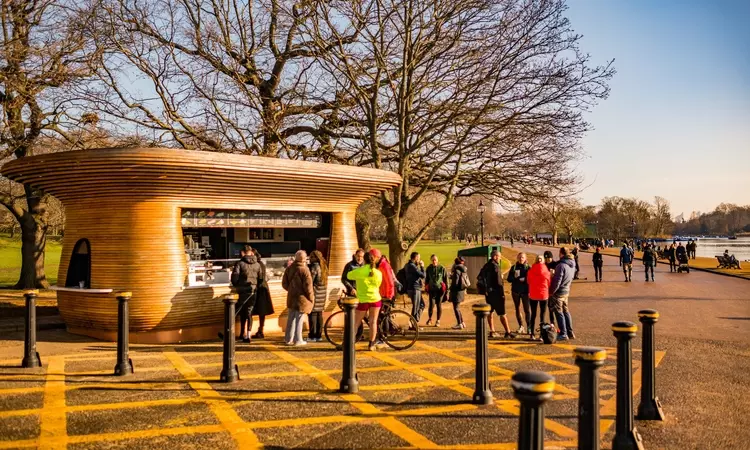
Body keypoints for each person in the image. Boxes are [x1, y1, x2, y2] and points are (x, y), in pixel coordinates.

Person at [347, 252, 384, 351]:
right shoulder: (378, 273)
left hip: (363, 299)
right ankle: (371, 344)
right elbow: (379, 284)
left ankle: (349, 343)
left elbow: (349, 275)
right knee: (373, 322)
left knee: (356, 323)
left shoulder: (360, 271)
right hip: (375, 298)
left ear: (364, 260)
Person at [230, 245, 264, 343]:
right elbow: (261, 279)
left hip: (242, 291)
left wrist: (238, 285)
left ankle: (242, 333)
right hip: (253, 291)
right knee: (249, 312)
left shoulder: (240, 263)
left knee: (242, 312)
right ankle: (248, 335)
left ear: (243, 252)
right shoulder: (257, 264)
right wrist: (255, 286)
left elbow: (234, 278)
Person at [281, 250, 314, 346]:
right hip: (302, 298)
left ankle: (288, 339)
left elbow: (284, 283)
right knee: (299, 319)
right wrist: (311, 298)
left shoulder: (289, 268)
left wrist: (291, 290)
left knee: (291, 318)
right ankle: (298, 339)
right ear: (304, 259)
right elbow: (308, 287)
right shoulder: (305, 270)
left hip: (291, 297)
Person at [480, 249, 512, 339]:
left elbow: (480, 276)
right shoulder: (495, 267)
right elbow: (499, 283)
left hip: (488, 293)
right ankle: (508, 332)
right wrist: (502, 294)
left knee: (490, 312)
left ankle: (492, 331)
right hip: (497, 293)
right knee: (502, 314)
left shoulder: (486, 266)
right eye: (499, 256)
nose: (500, 258)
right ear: (495, 256)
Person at [549, 247, 576, 341]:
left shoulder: (560, 265)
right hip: (566, 290)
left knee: (559, 312)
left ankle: (563, 333)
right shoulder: (572, 263)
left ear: (561, 254)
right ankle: (570, 332)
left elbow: (557, 281)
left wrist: (551, 291)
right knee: (566, 311)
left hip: (559, 292)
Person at [251, 249, 274, 339]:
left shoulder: (257, 264)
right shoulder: (261, 263)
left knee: (256, 311)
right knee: (262, 311)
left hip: (259, 289)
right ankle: (260, 330)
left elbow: (259, 278)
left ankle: (256, 331)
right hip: (263, 289)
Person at [527, 255, 551, 341]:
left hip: (533, 294)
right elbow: (549, 283)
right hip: (543, 295)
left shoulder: (531, 270)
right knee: (542, 315)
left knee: (533, 314)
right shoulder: (546, 271)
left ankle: (532, 334)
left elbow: (528, 281)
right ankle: (541, 335)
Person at [507, 252, 530, 334]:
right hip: (515, 291)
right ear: (517, 258)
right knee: (517, 309)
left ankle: (529, 327)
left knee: (527, 310)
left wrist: (525, 279)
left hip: (525, 292)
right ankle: (521, 326)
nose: (521, 259)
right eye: (520, 257)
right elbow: (509, 279)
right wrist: (515, 278)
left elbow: (532, 279)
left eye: (522, 257)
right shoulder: (514, 267)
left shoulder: (528, 268)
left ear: (525, 258)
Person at [307, 250, 328, 342]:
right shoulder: (324, 267)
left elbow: (310, 281)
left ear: (316, 258)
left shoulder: (314, 267)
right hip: (322, 294)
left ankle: (312, 335)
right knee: (319, 314)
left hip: (315, 293)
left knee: (312, 314)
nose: (310, 259)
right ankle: (319, 335)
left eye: (311, 257)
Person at [425, 254, 447, 326]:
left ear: (437, 260)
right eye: (433, 260)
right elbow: (427, 279)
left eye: (435, 260)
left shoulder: (442, 268)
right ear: (431, 260)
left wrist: (447, 290)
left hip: (440, 290)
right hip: (432, 290)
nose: (434, 261)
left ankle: (438, 320)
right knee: (431, 305)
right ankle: (430, 319)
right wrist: (426, 288)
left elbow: (446, 279)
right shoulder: (428, 268)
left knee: (439, 305)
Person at [404, 252, 426, 322]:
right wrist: (422, 266)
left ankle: (415, 321)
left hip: (413, 288)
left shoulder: (409, 265)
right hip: (414, 288)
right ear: (416, 258)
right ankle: (412, 324)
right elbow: (423, 275)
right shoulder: (411, 266)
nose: (419, 259)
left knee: (421, 305)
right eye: (419, 258)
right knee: (416, 307)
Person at [449, 257, 468, 329]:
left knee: (456, 308)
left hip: (456, 292)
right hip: (461, 291)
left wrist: (450, 288)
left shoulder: (456, 270)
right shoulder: (463, 269)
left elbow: (455, 283)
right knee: (458, 308)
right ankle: (462, 322)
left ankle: (459, 323)